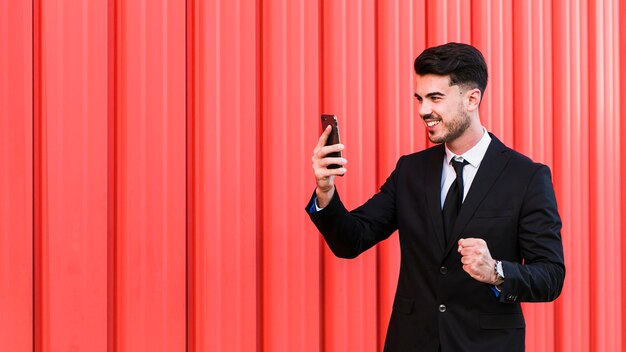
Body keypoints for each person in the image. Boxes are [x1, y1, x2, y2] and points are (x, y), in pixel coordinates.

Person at [306, 42, 565, 352]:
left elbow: (551, 276)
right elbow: (351, 241)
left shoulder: (526, 177)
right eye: (419, 98)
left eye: (435, 98)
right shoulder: (411, 171)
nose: (423, 110)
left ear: (472, 99)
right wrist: (326, 190)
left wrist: (496, 271)